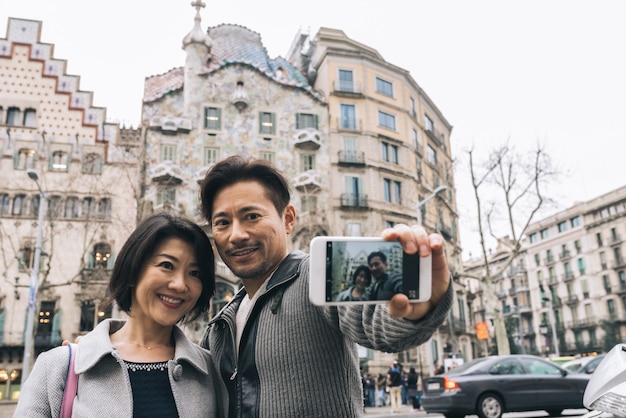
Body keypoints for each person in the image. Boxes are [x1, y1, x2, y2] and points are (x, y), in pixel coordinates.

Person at [199, 155, 453, 417]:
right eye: (222, 223)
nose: (237, 234)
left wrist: (420, 311)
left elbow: (379, 325)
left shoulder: (316, 277)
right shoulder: (219, 326)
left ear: (288, 219)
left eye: (251, 216)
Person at [15, 212, 228, 417]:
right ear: (133, 269)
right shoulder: (59, 367)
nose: (180, 285)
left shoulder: (210, 371)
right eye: (166, 265)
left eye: (195, 273)